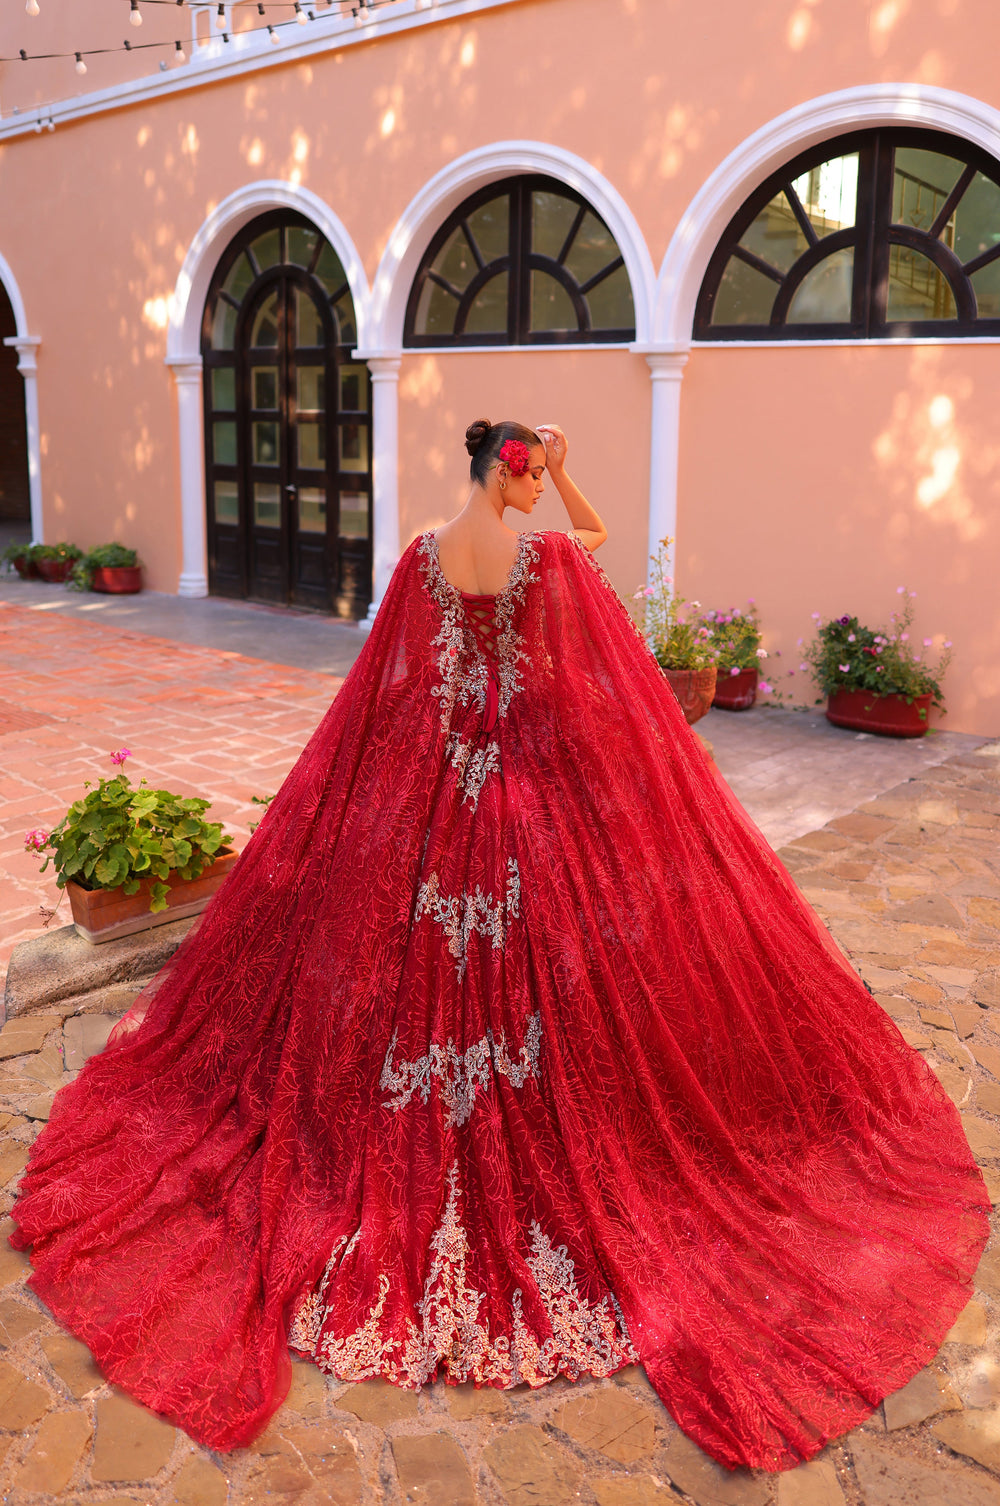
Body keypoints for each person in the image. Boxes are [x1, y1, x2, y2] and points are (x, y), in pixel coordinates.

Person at [10, 419, 989, 1473]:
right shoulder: (545, 553)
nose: (532, 494)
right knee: (563, 953)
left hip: (436, 772)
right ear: (511, 472)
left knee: (403, 948)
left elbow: (391, 678)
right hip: (526, 777)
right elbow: (596, 544)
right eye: (529, 478)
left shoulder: (422, 555)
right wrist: (570, 472)